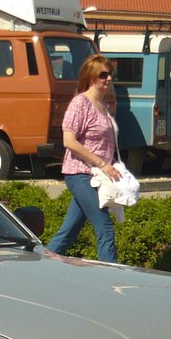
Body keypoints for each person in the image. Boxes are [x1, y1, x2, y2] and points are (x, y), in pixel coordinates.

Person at [47, 55, 122, 263]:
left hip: (96, 176)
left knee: (69, 230)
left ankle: (42, 265)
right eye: (103, 74)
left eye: (110, 74)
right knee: (105, 229)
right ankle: (110, 280)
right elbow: (69, 141)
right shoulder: (80, 103)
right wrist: (102, 164)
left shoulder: (102, 105)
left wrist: (111, 165)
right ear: (90, 77)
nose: (108, 79)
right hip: (80, 174)